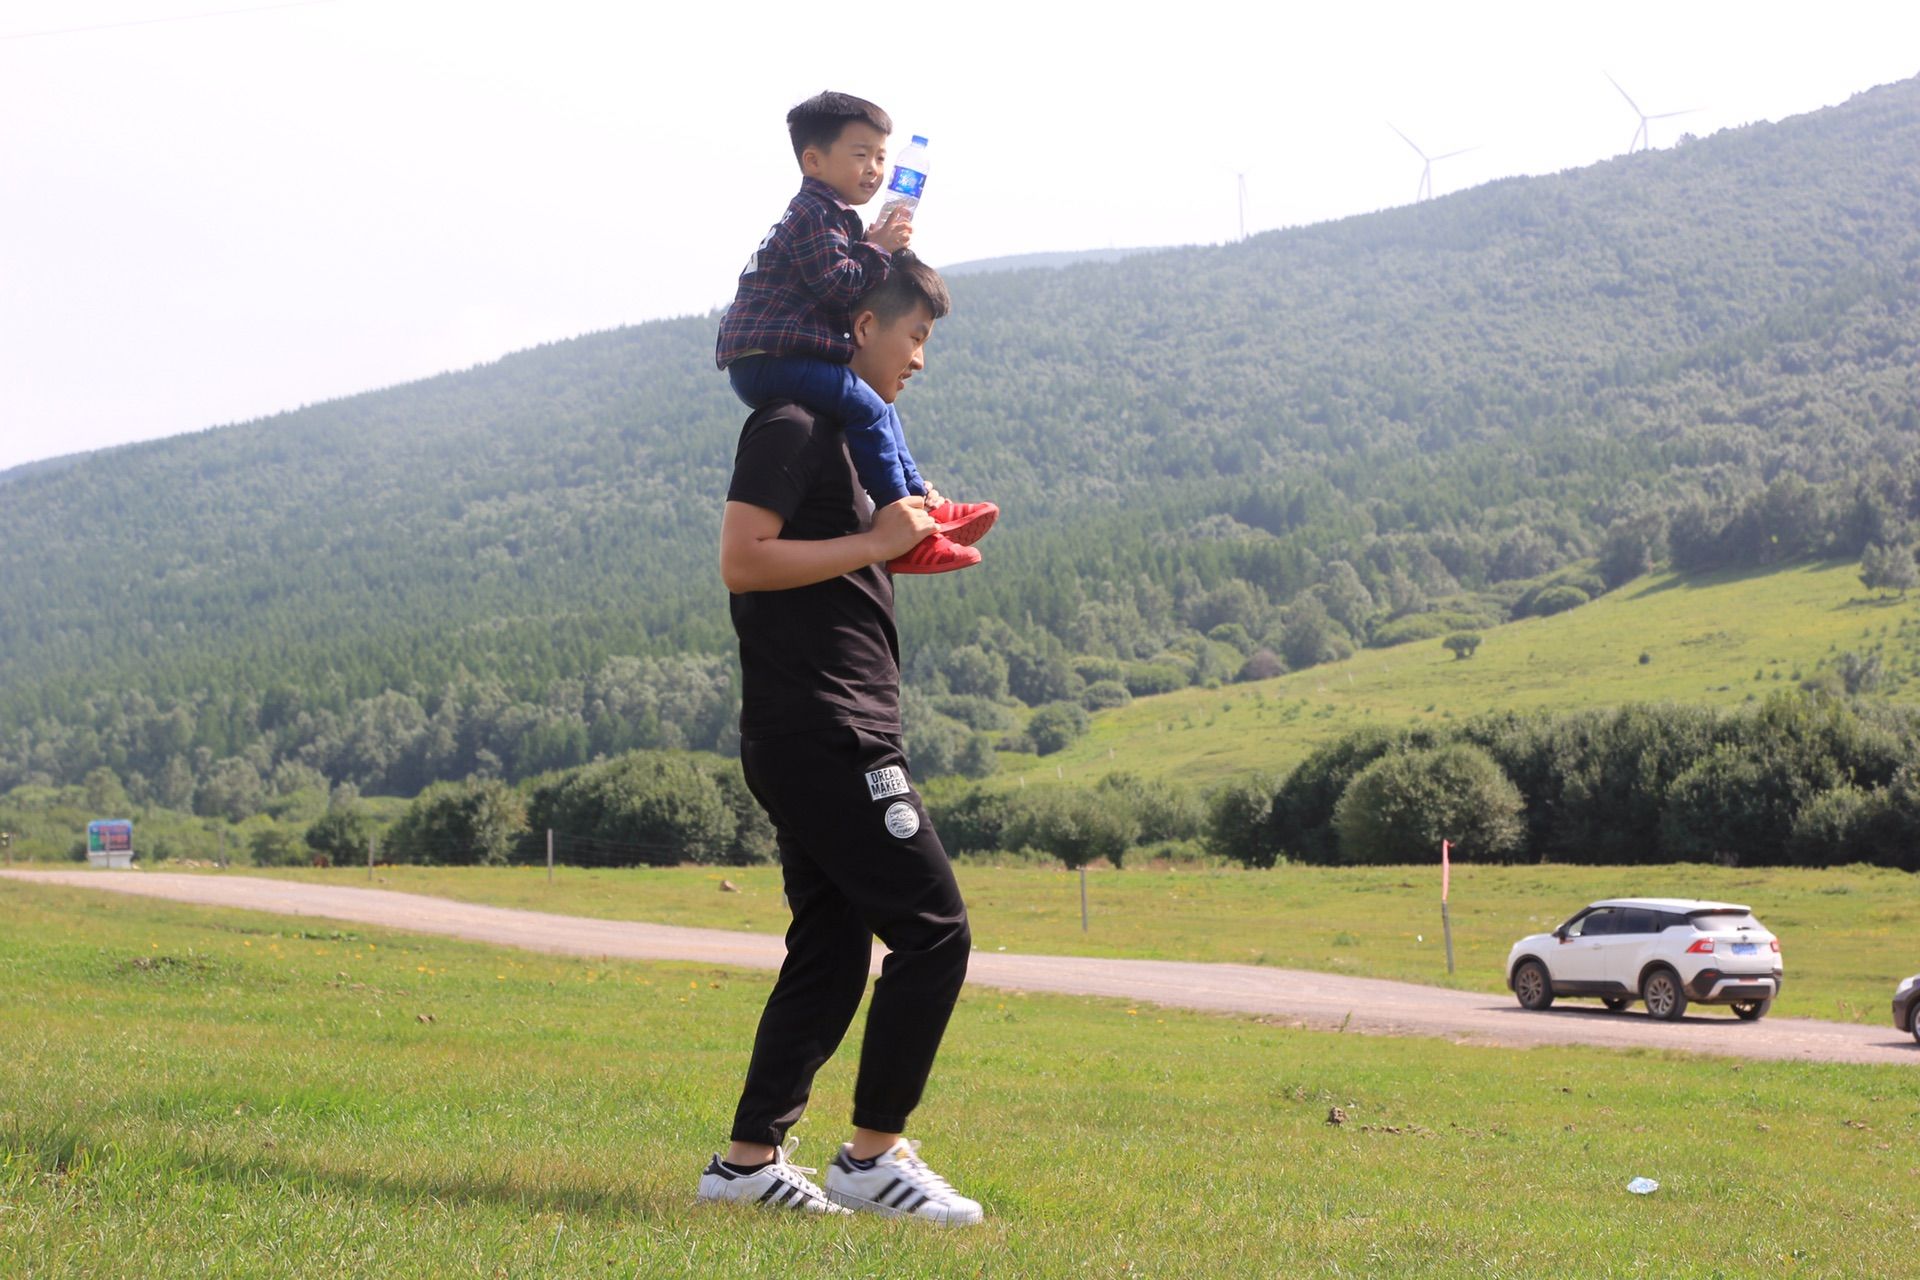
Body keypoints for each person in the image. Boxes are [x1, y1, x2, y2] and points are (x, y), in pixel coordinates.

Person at [695, 251, 983, 1226]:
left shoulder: (860, 439)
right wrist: (870, 542)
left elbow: (834, 563)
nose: (920, 359)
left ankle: (745, 1164)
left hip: (820, 722)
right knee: (935, 931)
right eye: (915, 336)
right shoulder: (793, 422)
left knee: (829, 945)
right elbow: (744, 560)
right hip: (826, 728)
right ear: (863, 326)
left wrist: (898, 535)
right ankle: (871, 1154)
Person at [715, 89, 996, 575]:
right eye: (860, 155)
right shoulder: (813, 214)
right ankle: (902, 524)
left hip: (777, 354)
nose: (874, 169)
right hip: (766, 359)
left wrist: (869, 243)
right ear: (814, 161)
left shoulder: (832, 217)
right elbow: (839, 285)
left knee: (875, 404)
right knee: (866, 403)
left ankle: (921, 503)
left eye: (882, 158)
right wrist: (878, 249)